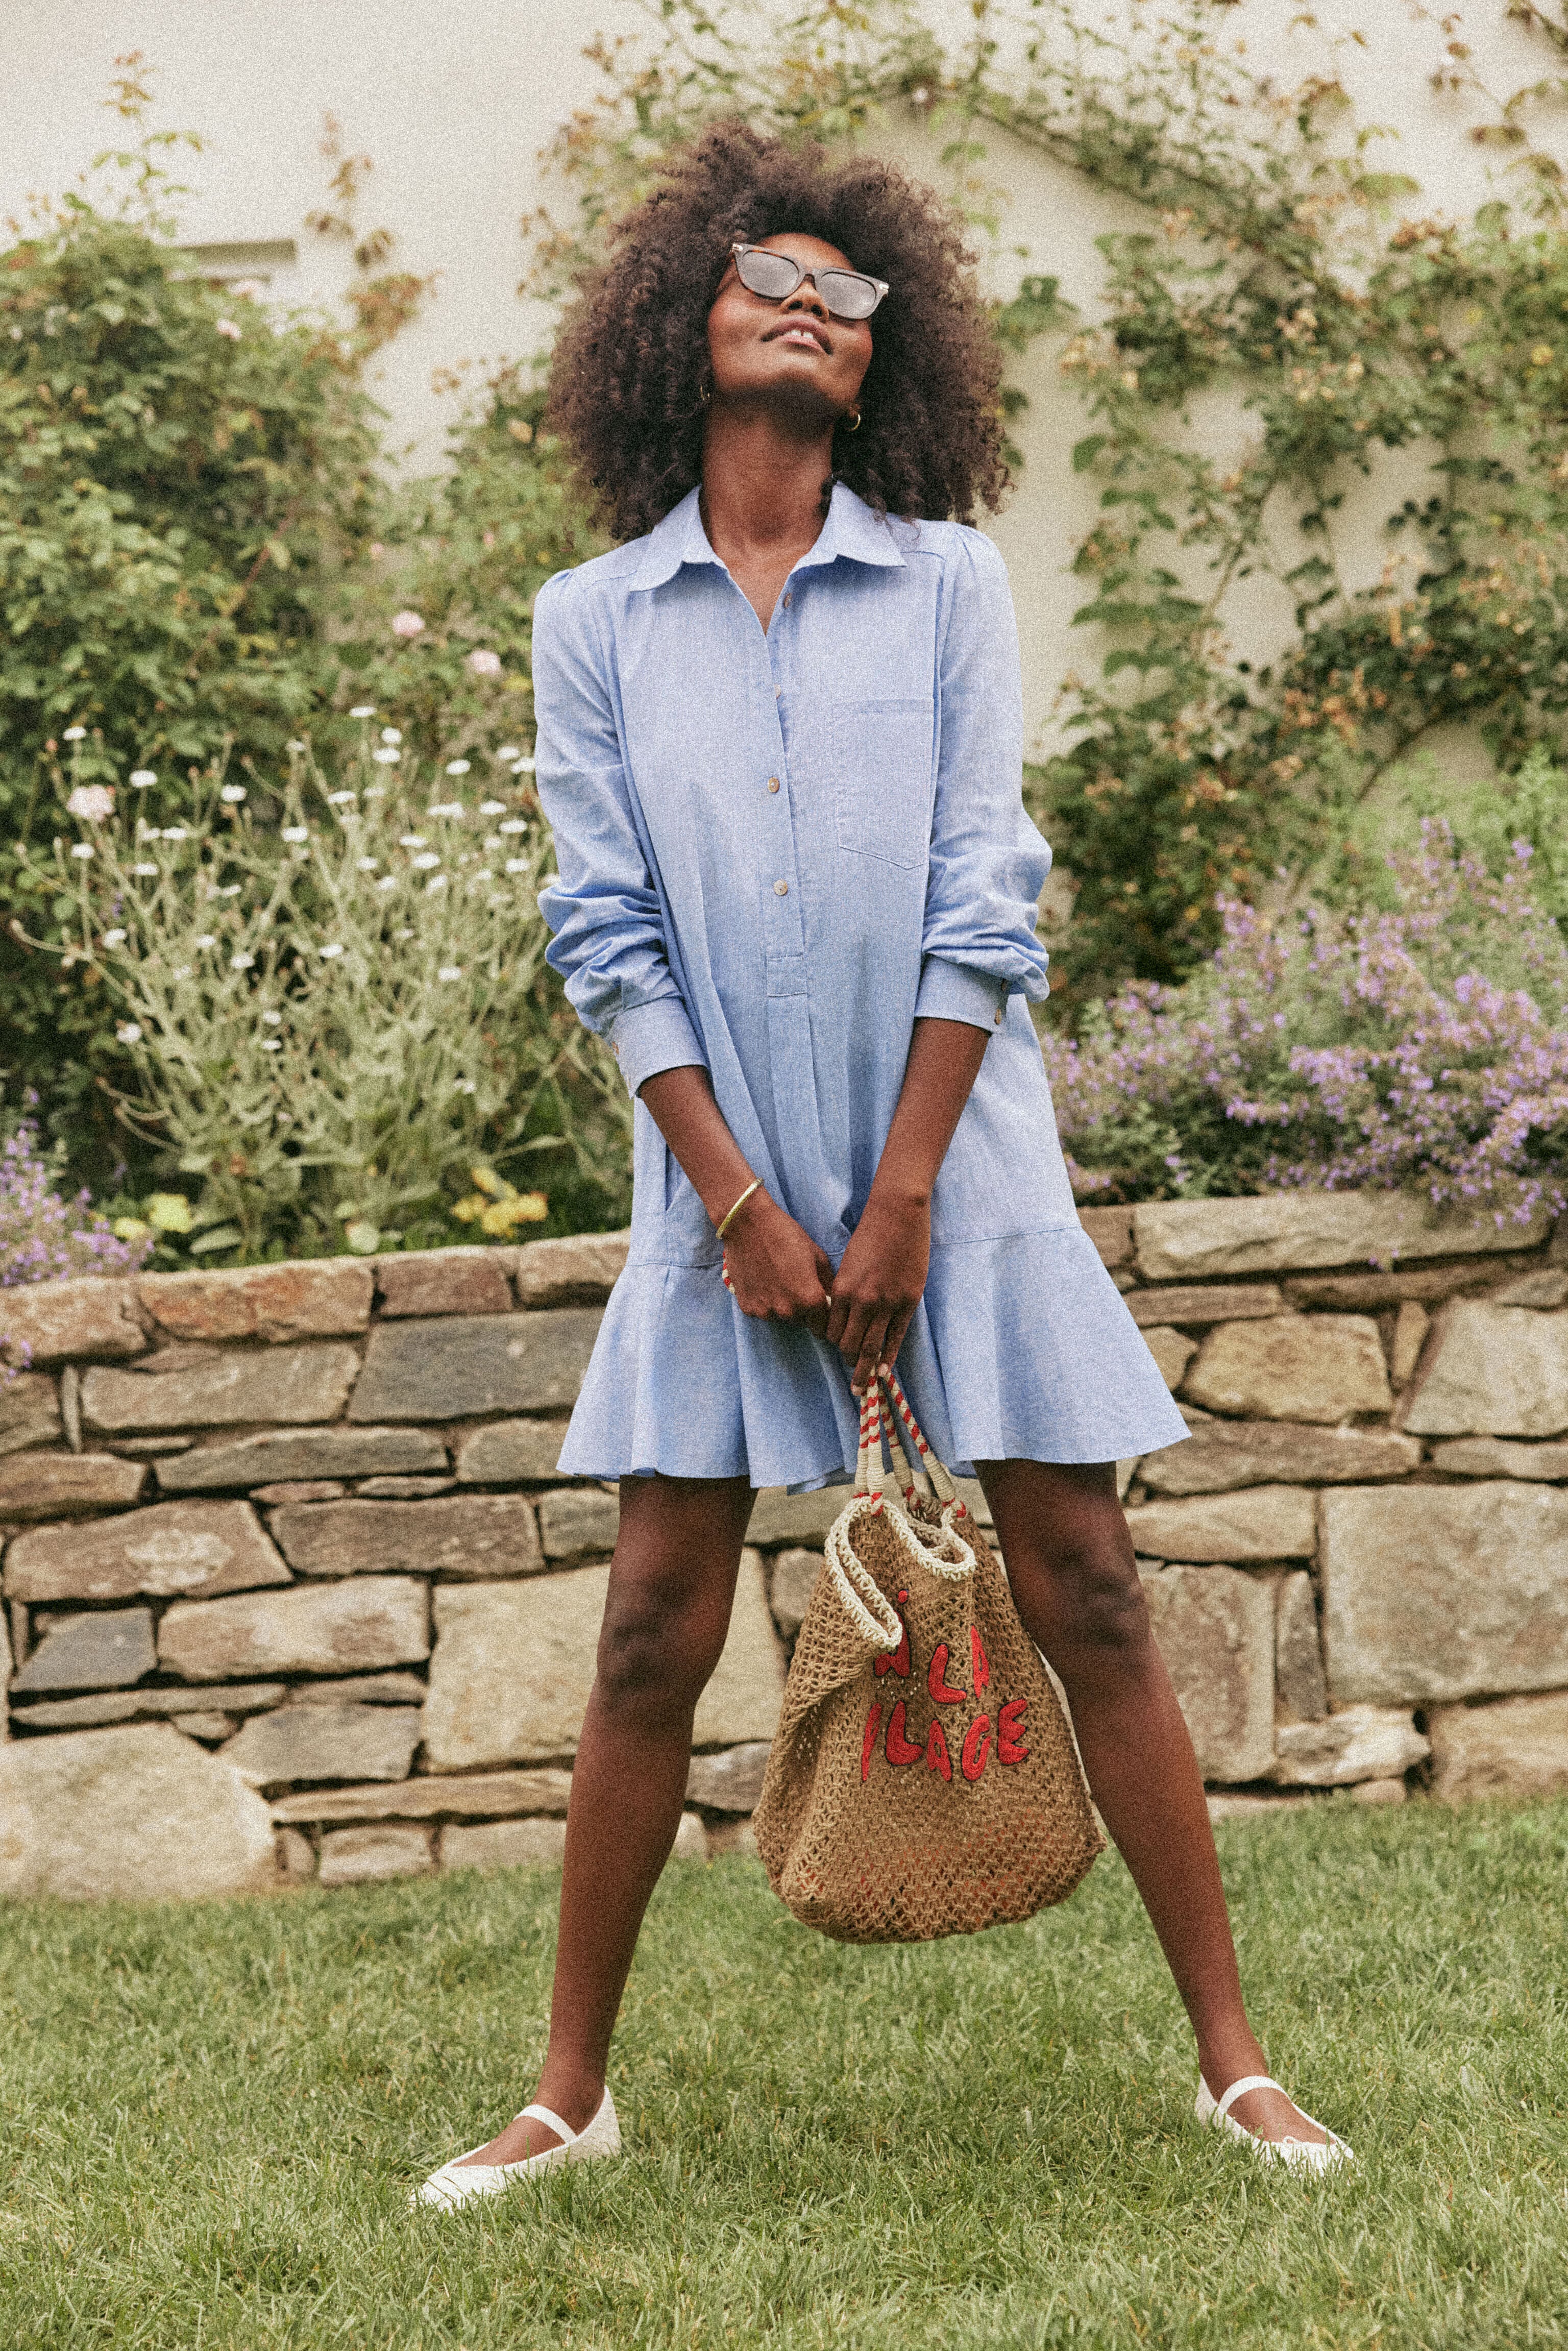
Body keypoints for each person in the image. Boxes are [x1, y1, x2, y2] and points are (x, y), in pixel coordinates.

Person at [415, 121, 1350, 2210]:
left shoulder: (946, 584)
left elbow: (983, 893)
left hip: (961, 1166)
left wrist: (908, 1186)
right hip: (719, 1187)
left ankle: (1237, 2066)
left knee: (1090, 1586)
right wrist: (741, 1206)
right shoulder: (593, 618)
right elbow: (604, 930)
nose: (816, 308)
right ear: (682, 320)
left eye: (853, 294)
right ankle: (567, 2092)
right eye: (775, 277)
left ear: (880, 360)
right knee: (649, 1631)